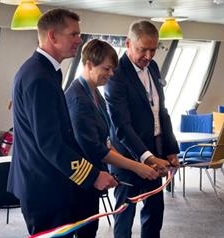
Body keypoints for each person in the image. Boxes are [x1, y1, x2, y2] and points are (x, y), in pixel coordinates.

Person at [6, 9, 118, 237]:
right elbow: (50, 143)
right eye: (73, 34)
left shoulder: (43, 71)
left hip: (47, 180)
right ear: (52, 36)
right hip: (43, 184)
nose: (80, 40)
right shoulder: (39, 77)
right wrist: (93, 176)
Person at [65, 39, 159, 237]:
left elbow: (105, 141)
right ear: (89, 64)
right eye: (106, 69)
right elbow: (96, 149)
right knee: (84, 231)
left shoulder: (93, 93)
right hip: (78, 181)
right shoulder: (78, 98)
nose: (111, 74)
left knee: (90, 230)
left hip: (91, 177)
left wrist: (141, 162)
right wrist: (137, 166)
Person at [104, 20, 180, 238]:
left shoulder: (153, 67)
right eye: (142, 49)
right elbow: (121, 126)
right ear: (128, 44)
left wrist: (170, 149)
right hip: (128, 156)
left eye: (153, 49)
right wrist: (147, 158)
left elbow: (161, 111)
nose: (148, 56)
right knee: (125, 215)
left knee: (154, 213)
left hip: (155, 150)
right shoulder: (115, 74)